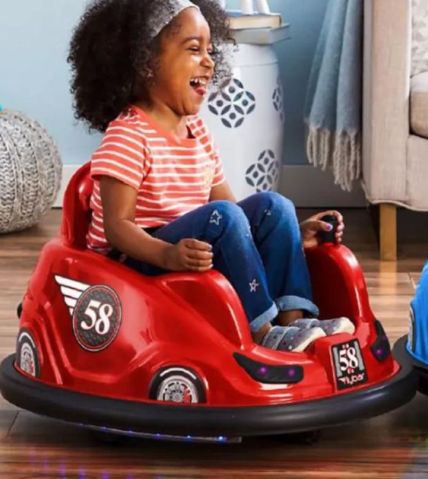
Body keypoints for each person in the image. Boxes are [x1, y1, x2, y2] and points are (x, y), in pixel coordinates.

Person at [68, 0, 354, 352]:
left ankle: (294, 325)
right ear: (145, 62)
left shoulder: (198, 132)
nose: (209, 60)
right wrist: (167, 255)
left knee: (274, 206)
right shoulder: (128, 135)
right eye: (193, 49)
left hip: (186, 246)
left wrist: (291, 233)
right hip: (137, 261)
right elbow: (118, 226)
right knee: (227, 215)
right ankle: (262, 334)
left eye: (210, 50)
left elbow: (236, 218)